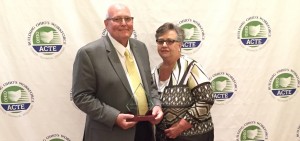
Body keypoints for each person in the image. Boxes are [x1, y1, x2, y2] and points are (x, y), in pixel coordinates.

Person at [72, 3, 163, 141]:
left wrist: (156, 104)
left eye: (128, 19)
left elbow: (149, 85)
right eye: (117, 19)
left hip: (144, 130)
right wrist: (114, 117)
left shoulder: (141, 48)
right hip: (110, 133)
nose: (124, 23)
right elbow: (81, 96)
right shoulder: (89, 53)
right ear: (106, 23)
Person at [152, 22, 214, 141]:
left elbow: (206, 99)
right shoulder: (154, 72)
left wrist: (180, 127)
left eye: (170, 41)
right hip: (164, 137)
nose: (164, 45)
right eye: (160, 41)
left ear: (180, 44)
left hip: (194, 136)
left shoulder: (191, 67)